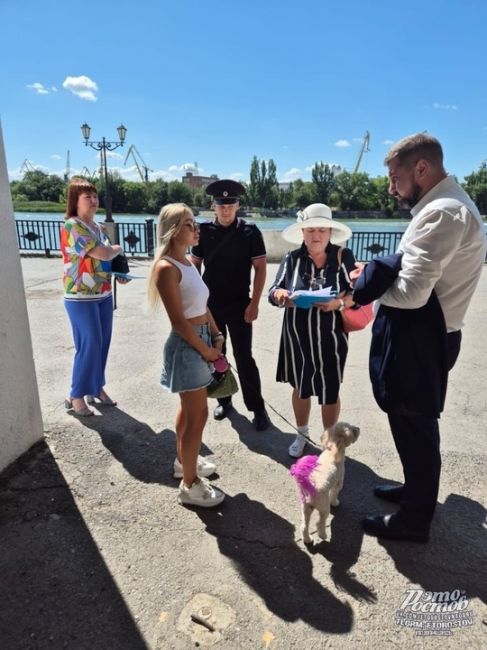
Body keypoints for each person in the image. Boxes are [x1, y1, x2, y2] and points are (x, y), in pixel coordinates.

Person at [354, 133, 487, 543]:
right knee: (410, 422)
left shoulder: (443, 213)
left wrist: (368, 284)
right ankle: (415, 492)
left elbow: (411, 294)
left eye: (395, 178)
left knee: (415, 427)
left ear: (422, 168)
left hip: (420, 339)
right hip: (425, 336)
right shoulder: (445, 206)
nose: (392, 188)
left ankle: (414, 520)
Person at [148, 202, 225, 508]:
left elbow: (203, 305)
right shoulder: (166, 267)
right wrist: (206, 349)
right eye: (190, 224)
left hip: (202, 339)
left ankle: (184, 463)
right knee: (198, 417)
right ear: (173, 230)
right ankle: (189, 485)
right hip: (187, 345)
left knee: (190, 412)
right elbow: (179, 321)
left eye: (195, 224)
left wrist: (217, 334)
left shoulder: (188, 263)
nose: (197, 229)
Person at [268, 203, 356, 458]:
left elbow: (358, 294)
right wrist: (282, 294)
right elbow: (273, 291)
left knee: (330, 389)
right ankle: (302, 433)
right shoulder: (291, 258)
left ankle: (330, 440)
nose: (315, 235)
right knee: (300, 385)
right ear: (302, 233)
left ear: (329, 233)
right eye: (310, 230)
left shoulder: (343, 256)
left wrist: (337, 303)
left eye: (321, 230)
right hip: (297, 336)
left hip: (331, 336)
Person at [190, 179, 270, 431]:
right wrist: (196, 303)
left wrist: (255, 303)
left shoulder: (250, 232)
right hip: (210, 307)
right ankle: (224, 400)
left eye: (231, 204)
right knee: (217, 355)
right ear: (213, 206)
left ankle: (257, 408)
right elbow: (195, 265)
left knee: (244, 357)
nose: (226, 209)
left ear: (237, 205)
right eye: (221, 204)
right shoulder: (203, 231)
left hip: (240, 305)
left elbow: (260, 268)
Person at [61, 178, 128, 416]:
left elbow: (105, 262)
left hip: (102, 293)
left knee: (101, 344)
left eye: (95, 196)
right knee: (88, 344)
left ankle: (97, 388)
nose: (93, 200)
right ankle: (76, 395)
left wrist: (119, 273)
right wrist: (118, 249)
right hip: (80, 296)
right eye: (87, 196)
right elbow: (104, 252)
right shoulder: (73, 226)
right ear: (75, 201)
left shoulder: (98, 227)